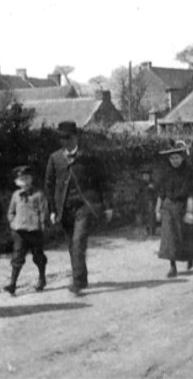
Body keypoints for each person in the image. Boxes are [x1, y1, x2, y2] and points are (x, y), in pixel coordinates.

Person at [45, 121, 112, 295]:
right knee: (72, 246)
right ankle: (81, 277)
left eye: (67, 137)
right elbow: (49, 186)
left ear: (76, 137)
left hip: (85, 206)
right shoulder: (55, 158)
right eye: (61, 138)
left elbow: (103, 182)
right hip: (64, 209)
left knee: (78, 242)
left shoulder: (89, 157)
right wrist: (52, 210)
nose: (64, 141)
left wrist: (108, 206)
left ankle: (78, 282)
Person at [155, 141, 193, 277]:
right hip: (169, 207)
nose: (175, 161)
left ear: (182, 158)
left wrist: (190, 212)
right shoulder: (165, 173)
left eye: (177, 158)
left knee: (187, 236)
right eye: (172, 159)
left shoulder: (189, 172)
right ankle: (172, 266)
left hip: (184, 206)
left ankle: (190, 258)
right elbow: (161, 193)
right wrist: (158, 210)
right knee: (170, 238)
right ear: (169, 160)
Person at [4, 165, 49, 296]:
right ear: (17, 181)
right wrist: (13, 223)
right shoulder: (16, 195)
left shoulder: (39, 195)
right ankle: (12, 284)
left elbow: (43, 212)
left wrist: (42, 226)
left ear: (31, 179)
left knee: (38, 256)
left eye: (27, 178)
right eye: (21, 179)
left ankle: (42, 278)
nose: (24, 181)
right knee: (17, 257)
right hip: (19, 232)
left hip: (35, 231)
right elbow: (11, 212)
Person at [137, 165, 158, 236]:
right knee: (144, 216)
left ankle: (152, 231)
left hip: (151, 201)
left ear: (149, 176)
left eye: (147, 175)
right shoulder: (141, 183)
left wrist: (152, 188)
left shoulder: (153, 183)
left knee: (151, 216)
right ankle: (146, 230)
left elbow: (156, 193)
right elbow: (139, 192)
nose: (145, 177)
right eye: (144, 175)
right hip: (143, 202)